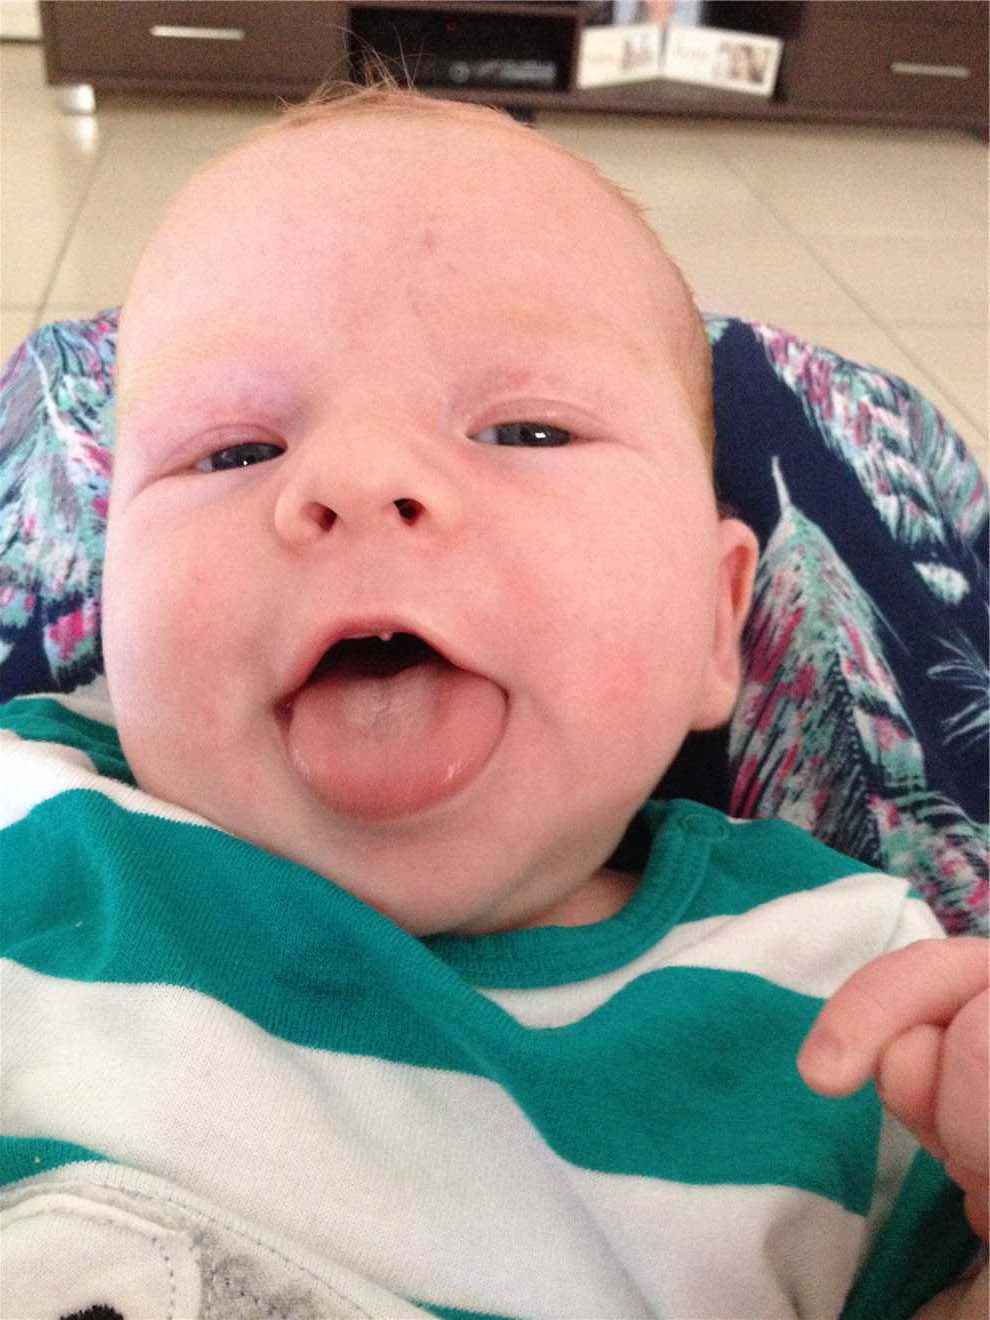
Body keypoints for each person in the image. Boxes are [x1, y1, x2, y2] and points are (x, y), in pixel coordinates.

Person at [1, 81, 986, 1319]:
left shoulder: (858, 999)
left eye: (526, 432)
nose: (361, 477)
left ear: (716, 616)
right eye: (233, 452)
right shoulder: (30, 824)